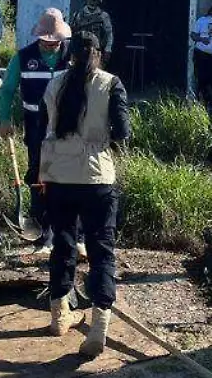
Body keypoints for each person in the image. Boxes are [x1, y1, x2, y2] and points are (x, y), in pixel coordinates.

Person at [40, 31, 130, 357]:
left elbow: (41, 127)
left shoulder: (55, 83)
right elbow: (122, 131)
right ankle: (99, 323)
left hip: (58, 174)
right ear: (99, 53)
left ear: (70, 53)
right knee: (101, 249)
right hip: (97, 176)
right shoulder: (111, 83)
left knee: (62, 243)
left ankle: (58, 315)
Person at [0, 8, 85, 257]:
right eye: (45, 40)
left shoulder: (73, 57)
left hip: (68, 128)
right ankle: (44, 237)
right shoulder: (23, 57)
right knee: (39, 179)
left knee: (72, 179)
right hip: (36, 126)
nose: (49, 45)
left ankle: (74, 236)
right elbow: (6, 92)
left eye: (54, 40)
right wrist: (4, 119)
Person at [69, 0, 114, 65]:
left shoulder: (103, 16)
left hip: (96, 50)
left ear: (98, 1)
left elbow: (109, 34)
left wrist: (108, 49)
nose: (91, 2)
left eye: (94, 0)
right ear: (86, 0)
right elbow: (72, 32)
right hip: (79, 50)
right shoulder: (78, 15)